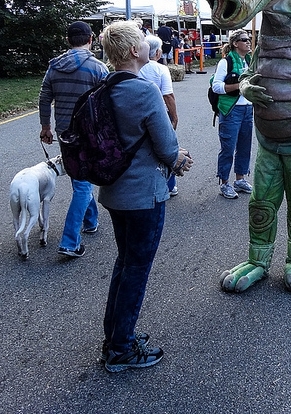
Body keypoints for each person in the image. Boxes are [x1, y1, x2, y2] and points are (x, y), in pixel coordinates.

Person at [98, 20, 193, 372]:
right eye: (142, 42)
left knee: (125, 264)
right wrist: (179, 159)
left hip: (114, 190)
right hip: (143, 194)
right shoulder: (144, 90)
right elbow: (167, 146)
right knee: (136, 269)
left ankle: (116, 336)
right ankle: (120, 350)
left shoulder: (104, 85)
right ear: (134, 51)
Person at [39, 21, 108, 259]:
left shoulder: (54, 67)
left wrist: (45, 126)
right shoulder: (98, 68)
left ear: (68, 40)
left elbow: (44, 97)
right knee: (82, 183)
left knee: (80, 177)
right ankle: (70, 241)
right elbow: (108, 101)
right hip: (88, 133)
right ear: (90, 39)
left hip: (63, 131)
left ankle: (90, 221)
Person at [212, 29, 254, 199]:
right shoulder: (226, 62)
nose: (249, 42)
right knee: (228, 148)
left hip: (248, 108)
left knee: (245, 147)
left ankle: (240, 179)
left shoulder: (251, 61)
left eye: (249, 39)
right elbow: (216, 87)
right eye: (245, 40)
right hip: (231, 109)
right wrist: (240, 86)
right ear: (236, 43)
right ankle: (224, 183)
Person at [139, 35, 180, 197]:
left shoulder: (137, 67)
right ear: (157, 52)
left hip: (139, 114)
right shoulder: (161, 69)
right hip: (160, 113)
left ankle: (144, 184)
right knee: (166, 146)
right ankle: (170, 184)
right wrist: (174, 116)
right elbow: (168, 95)